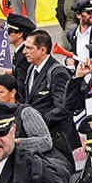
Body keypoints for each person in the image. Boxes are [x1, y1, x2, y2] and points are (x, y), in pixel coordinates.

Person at [23, 30, 80, 162]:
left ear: (43, 50)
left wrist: (38, 122)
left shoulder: (57, 72)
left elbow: (63, 107)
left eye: (29, 48)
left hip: (58, 142)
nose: (24, 51)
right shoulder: (31, 69)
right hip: (42, 139)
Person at [0, 13, 34, 100]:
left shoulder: (24, 55)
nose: (6, 34)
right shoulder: (19, 52)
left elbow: (20, 85)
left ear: (20, 34)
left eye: (9, 31)